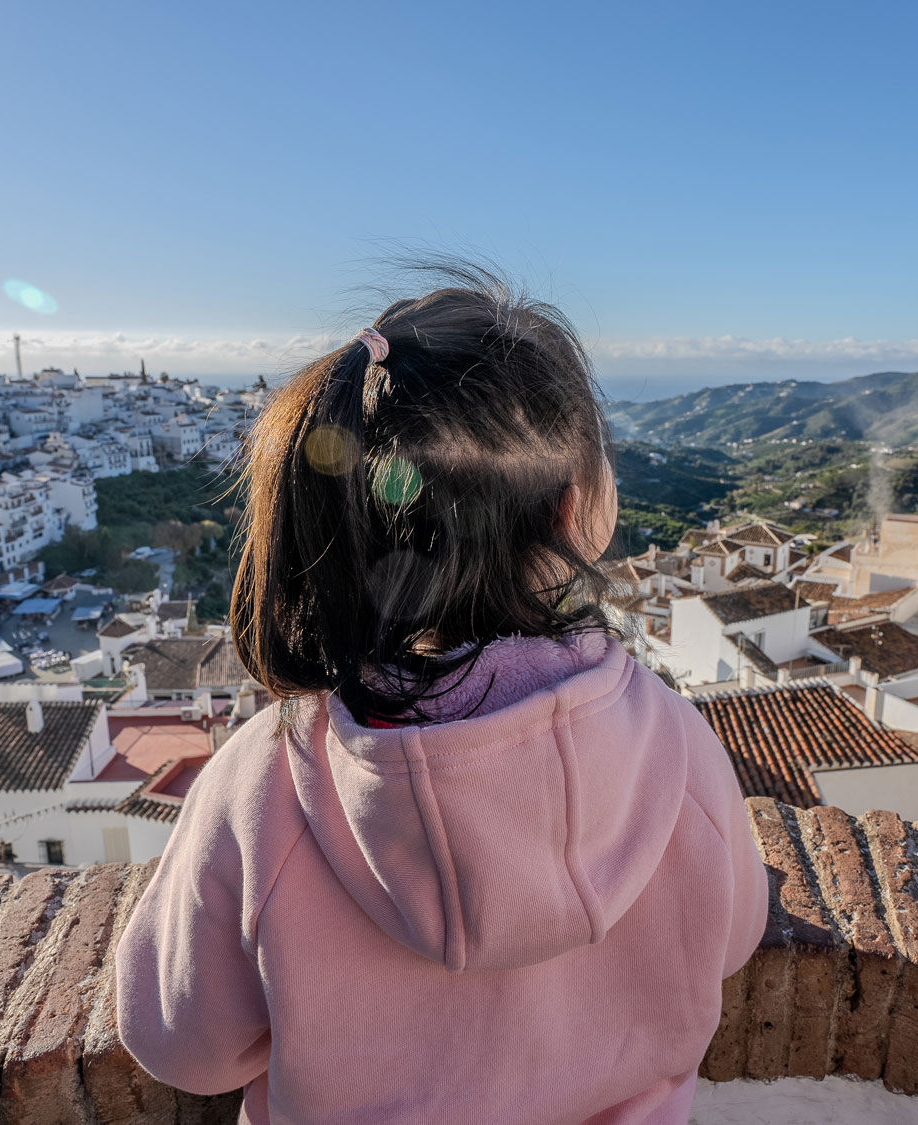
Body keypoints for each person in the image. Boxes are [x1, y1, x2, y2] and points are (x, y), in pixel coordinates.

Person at [114, 265, 769, 1124]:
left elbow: (184, 1046)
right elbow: (733, 938)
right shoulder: (679, 751)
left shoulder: (267, 784)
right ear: (575, 512)